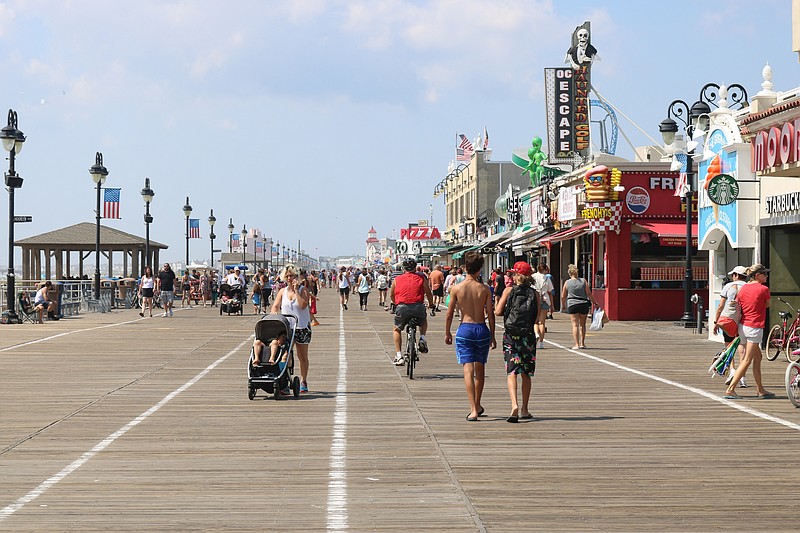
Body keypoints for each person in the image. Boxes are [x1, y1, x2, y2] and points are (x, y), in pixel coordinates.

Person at [445, 251, 496, 422]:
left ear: (465, 267)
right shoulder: (485, 289)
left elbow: (450, 313)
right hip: (481, 328)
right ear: (480, 269)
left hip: (465, 328)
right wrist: (493, 335)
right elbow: (491, 313)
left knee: (468, 369)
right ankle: (478, 403)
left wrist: (447, 332)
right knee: (480, 369)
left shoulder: (456, 289)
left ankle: (473, 409)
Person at [495, 261, 539, 423]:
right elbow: (537, 317)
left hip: (510, 336)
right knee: (527, 373)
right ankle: (525, 409)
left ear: (516, 275)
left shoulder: (508, 291)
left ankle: (514, 404)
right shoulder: (535, 294)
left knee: (512, 371)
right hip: (527, 337)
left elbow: (498, 311)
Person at [724, 264, 775, 400]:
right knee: (747, 360)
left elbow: (738, 303)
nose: (767, 276)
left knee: (757, 358)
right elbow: (767, 304)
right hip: (755, 327)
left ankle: (760, 389)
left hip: (743, 327)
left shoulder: (743, 288)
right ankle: (731, 389)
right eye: (764, 274)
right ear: (757, 275)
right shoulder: (764, 289)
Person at [271, 264, 312, 393]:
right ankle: (284, 383)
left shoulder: (303, 290)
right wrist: (274, 316)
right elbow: (275, 307)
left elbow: (303, 305)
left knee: (302, 356)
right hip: (287, 327)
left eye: (292, 276)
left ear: (297, 277)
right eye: (287, 276)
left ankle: (303, 380)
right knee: (284, 355)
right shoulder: (282, 291)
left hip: (301, 327)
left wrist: (296, 291)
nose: (289, 278)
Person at [389, 258, 434, 366]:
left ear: (404, 268)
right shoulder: (421, 278)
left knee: (397, 329)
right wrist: (431, 304)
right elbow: (428, 293)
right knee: (423, 321)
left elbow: (392, 294)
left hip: (402, 307)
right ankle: (422, 338)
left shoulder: (397, 279)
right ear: (415, 268)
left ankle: (399, 356)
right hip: (418, 306)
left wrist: (395, 303)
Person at [712, 266, 748, 388]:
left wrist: (716, 322)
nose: (733, 277)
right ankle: (742, 376)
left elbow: (721, 306)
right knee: (742, 347)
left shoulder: (728, 286)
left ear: (736, 275)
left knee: (729, 345)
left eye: (733, 274)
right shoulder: (748, 287)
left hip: (730, 320)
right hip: (744, 320)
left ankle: (732, 370)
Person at [561, 264, 599, 349]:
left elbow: (563, 296)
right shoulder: (583, 281)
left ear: (569, 273)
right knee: (583, 325)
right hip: (583, 303)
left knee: (575, 325)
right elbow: (589, 293)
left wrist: (563, 305)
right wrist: (595, 303)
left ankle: (576, 344)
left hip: (572, 304)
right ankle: (582, 343)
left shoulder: (567, 283)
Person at [532, 263, 554, 349]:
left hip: (535, 299)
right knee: (542, 322)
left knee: (535, 321)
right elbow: (550, 291)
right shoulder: (547, 278)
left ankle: (536, 333)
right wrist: (552, 305)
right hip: (545, 299)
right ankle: (541, 342)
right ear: (544, 269)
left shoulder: (533, 277)